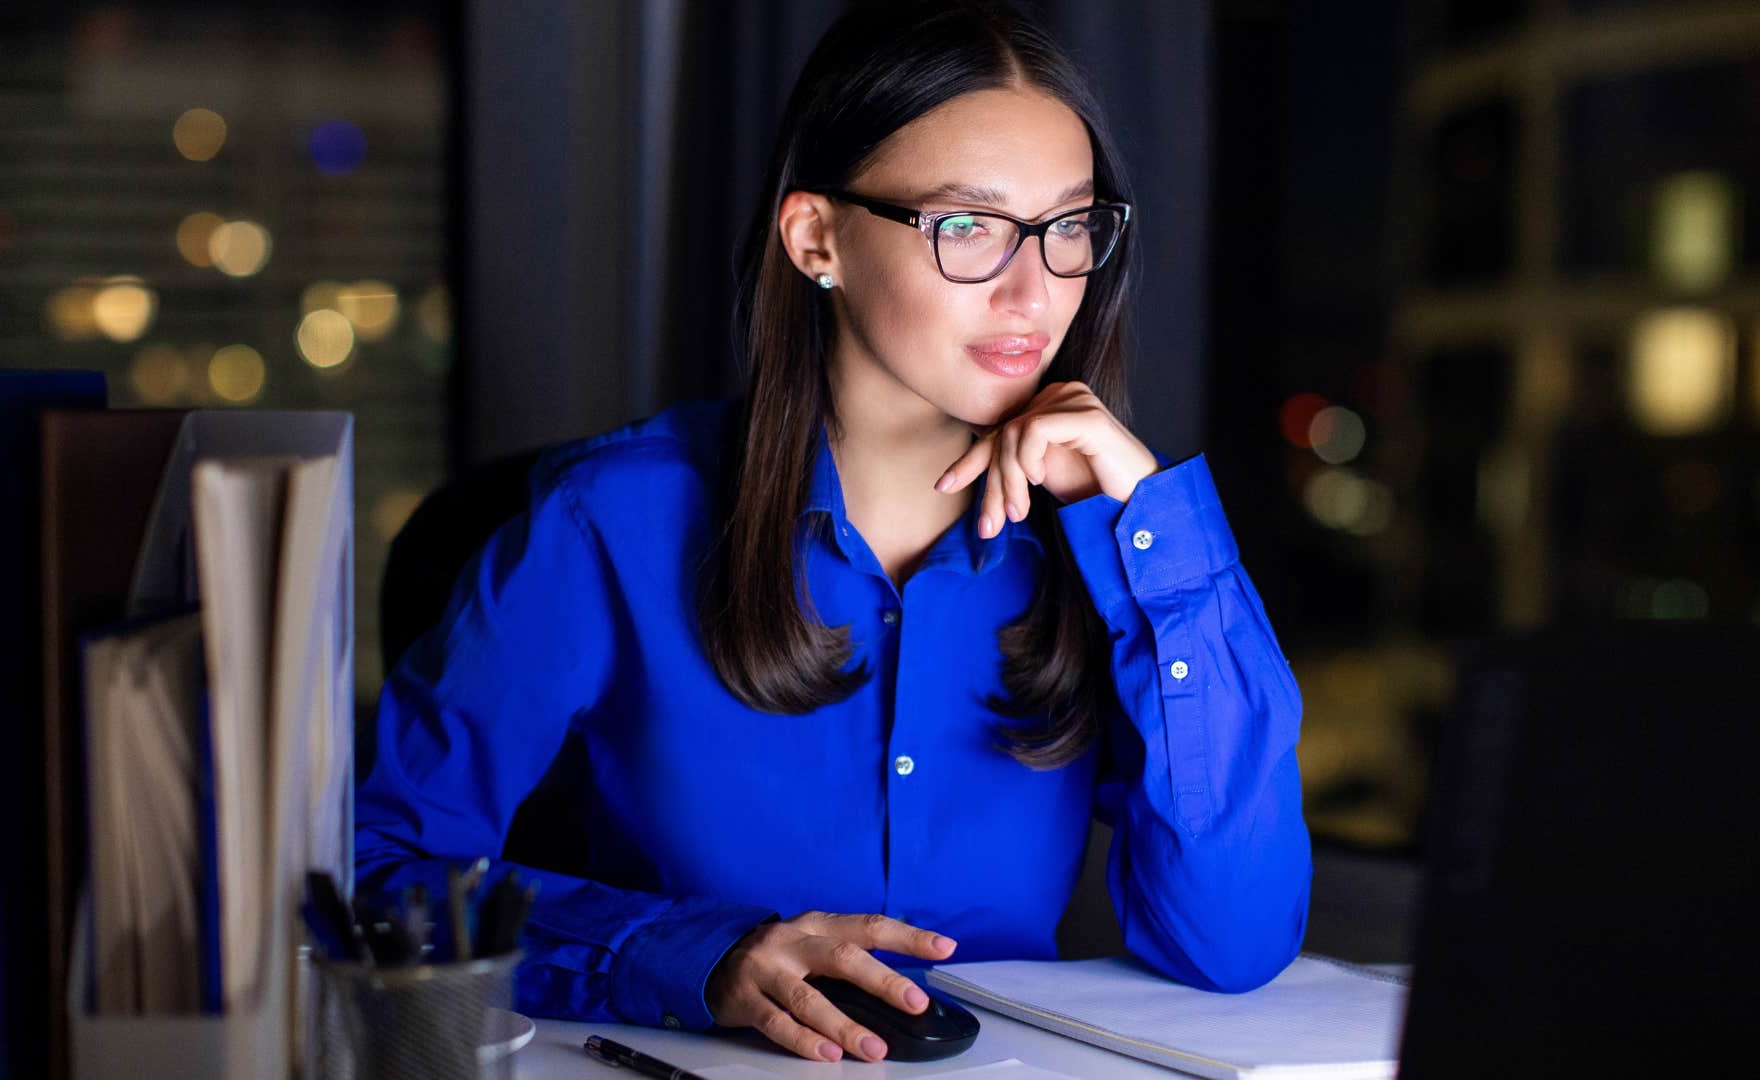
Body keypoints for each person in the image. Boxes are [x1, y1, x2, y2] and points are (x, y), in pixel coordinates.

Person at [355, 0, 1309, 1065]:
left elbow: (1232, 940)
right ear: (818, 239)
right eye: (969, 228)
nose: (1037, 292)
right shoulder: (608, 524)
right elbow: (381, 870)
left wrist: (1156, 536)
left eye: (1070, 227)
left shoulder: (1111, 552)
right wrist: (695, 954)